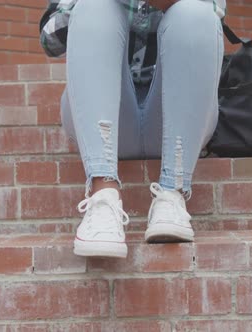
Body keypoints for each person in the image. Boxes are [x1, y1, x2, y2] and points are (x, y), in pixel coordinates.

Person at [60, 0, 226, 258]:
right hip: (105, 119)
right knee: (93, 5)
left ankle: (173, 193)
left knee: (194, 11)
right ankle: (103, 198)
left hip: (177, 119)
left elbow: (211, 17)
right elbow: (50, 39)